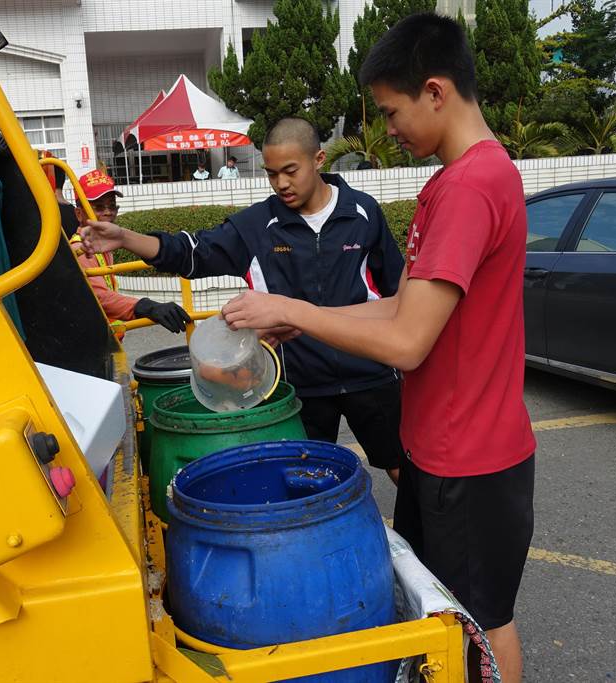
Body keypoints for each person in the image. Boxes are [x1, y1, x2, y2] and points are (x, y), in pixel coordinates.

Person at [219, 14, 535, 683]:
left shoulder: (472, 187)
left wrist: (288, 305)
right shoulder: (460, 180)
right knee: (446, 615)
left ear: (436, 91)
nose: (388, 129)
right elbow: (403, 306)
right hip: (443, 449)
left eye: (392, 111)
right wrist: (306, 320)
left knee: (478, 624)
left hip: (470, 459)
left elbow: (407, 340)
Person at [80, 118, 406, 483]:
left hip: (371, 372)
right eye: (271, 174)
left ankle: (416, 539)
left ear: (318, 160)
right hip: (299, 383)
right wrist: (125, 237)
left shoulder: (363, 213)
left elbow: (396, 294)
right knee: (304, 482)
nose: (281, 183)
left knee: (401, 468)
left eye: (290, 171)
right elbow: (190, 252)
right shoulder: (257, 225)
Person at [70, 170, 191, 339]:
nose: (108, 212)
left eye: (112, 206)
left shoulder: (100, 247)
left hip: (106, 338)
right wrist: (147, 307)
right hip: (93, 342)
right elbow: (99, 297)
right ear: (79, 214)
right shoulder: (81, 249)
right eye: (98, 207)